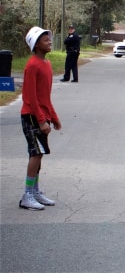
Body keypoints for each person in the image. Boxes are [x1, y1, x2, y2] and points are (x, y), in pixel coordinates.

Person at [19, 27, 62, 210]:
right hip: (31, 116)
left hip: (41, 115)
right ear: (36, 45)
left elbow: (45, 96)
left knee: (39, 153)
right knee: (36, 153)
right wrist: (42, 120)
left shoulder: (47, 64)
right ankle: (27, 195)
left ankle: (35, 191)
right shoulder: (32, 65)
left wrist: (53, 116)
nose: (49, 42)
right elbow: (30, 98)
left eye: (49, 39)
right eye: (45, 40)